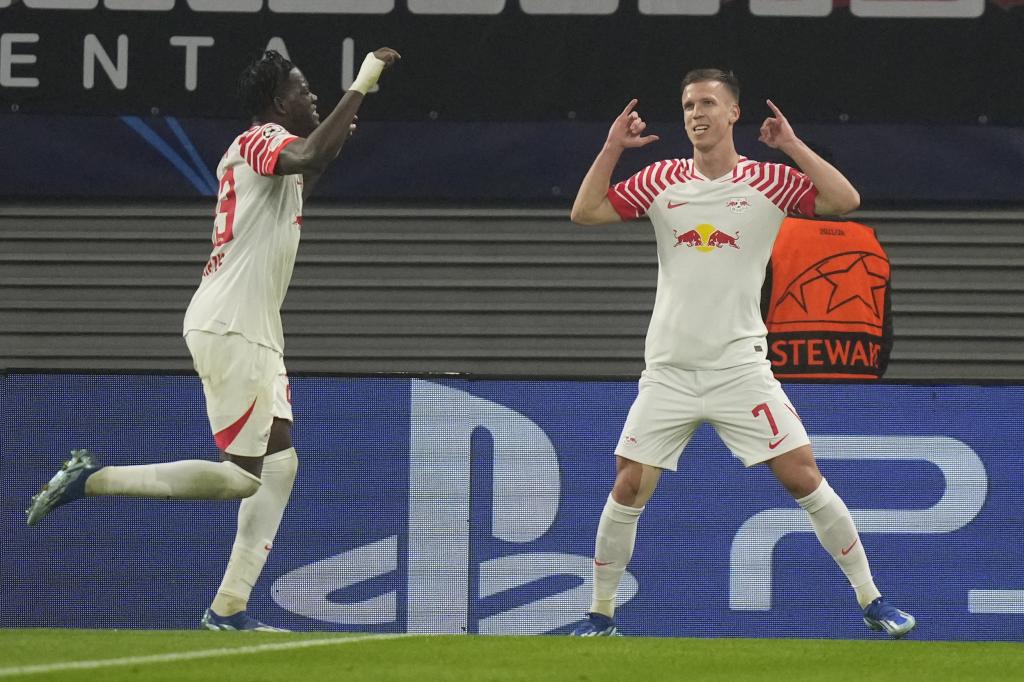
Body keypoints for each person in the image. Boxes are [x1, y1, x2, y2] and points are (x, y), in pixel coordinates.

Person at [25, 46, 401, 631]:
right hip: (232, 325)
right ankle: (91, 480)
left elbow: (314, 162)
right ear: (277, 104)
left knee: (280, 466)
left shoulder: (279, 163)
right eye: (304, 90)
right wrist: (364, 81)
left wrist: (336, 131)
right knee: (243, 476)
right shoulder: (259, 139)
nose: (313, 98)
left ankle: (228, 611)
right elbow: (311, 151)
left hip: (255, 330)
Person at [568, 69, 915, 638]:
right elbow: (585, 212)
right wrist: (611, 147)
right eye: (686, 106)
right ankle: (600, 615)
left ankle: (873, 600)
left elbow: (844, 200)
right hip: (670, 371)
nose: (695, 114)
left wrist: (793, 145)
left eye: (707, 103)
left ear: (734, 113)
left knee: (803, 477)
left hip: (740, 368)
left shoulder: (771, 181)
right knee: (628, 484)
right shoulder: (658, 179)